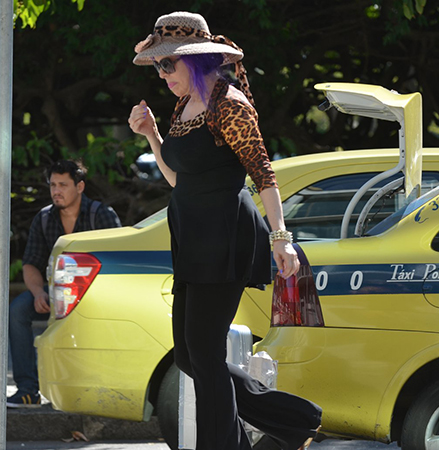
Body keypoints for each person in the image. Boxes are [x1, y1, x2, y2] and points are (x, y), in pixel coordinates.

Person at [128, 11, 322, 450]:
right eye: (157, 65)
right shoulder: (183, 105)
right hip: (193, 240)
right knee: (189, 356)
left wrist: (282, 239)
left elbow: (264, 175)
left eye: (168, 64)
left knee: (205, 356)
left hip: (226, 238)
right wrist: (153, 136)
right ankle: (295, 422)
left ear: (195, 60)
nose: (162, 75)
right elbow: (181, 178)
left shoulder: (229, 103)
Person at [7, 160, 122, 408]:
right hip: (55, 290)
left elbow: (118, 262)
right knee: (17, 310)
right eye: (52, 185)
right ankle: (28, 390)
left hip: (95, 292)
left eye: (63, 185)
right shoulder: (45, 218)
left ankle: (105, 387)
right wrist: (38, 293)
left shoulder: (100, 214)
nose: (56, 191)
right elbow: (30, 264)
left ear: (79, 186)